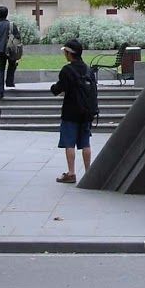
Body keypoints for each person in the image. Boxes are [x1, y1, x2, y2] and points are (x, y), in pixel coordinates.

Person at [51, 39, 96, 183]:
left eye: (66, 52)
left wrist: (53, 88)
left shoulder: (67, 70)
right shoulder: (89, 70)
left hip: (71, 111)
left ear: (70, 54)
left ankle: (71, 173)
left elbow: (58, 89)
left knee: (69, 143)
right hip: (87, 112)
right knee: (86, 143)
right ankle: (89, 173)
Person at [0, 5, 22, 99]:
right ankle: (10, 82)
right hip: (11, 50)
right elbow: (18, 37)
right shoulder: (11, 25)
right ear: (7, 14)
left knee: (1, 70)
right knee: (12, 65)